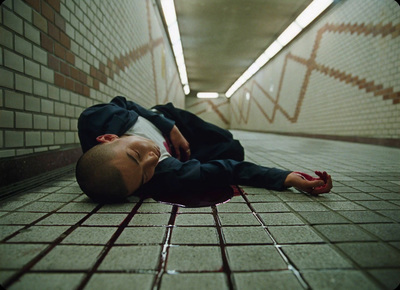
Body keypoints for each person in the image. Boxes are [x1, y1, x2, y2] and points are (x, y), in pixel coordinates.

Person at [76, 96, 332, 203]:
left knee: (222, 135)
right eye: (145, 174)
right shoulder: (165, 177)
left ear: (108, 138)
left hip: (172, 120)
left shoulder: (95, 119)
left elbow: (123, 102)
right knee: (233, 150)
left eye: (136, 155)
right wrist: (286, 178)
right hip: (186, 155)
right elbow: (227, 170)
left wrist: (170, 126)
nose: (152, 159)